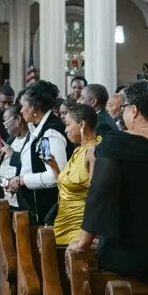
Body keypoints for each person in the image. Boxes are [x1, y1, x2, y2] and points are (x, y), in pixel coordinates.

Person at [71, 81, 148, 285]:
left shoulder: (116, 144)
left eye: (124, 108)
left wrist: (84, 242)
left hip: (128, 253)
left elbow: (101, 194)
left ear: (134, 110)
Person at [6, 82, 68, 226]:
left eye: (24, 106)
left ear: (35, 107)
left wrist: (22, 180)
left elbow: (55, 176)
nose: (21, 110)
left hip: (46, 209)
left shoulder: (49, 133)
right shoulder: (38, 129)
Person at [52, 103, 101, 247]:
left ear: (82, 125)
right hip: (62, 222)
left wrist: (87, 239)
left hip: (81, 228)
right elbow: (65, 187)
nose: (65, 129)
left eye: (68, 124)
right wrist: (54, 166)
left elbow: (97, 196)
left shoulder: (94, 151)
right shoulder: (77, 150)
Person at [0, 105, 28, 209]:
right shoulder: (11, 139)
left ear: (18, 119)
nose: (5, 126)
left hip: (20, 199)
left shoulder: (31, 140)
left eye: (6, 122)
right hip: (3, 196)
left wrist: (12, 154)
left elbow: (30, 165)